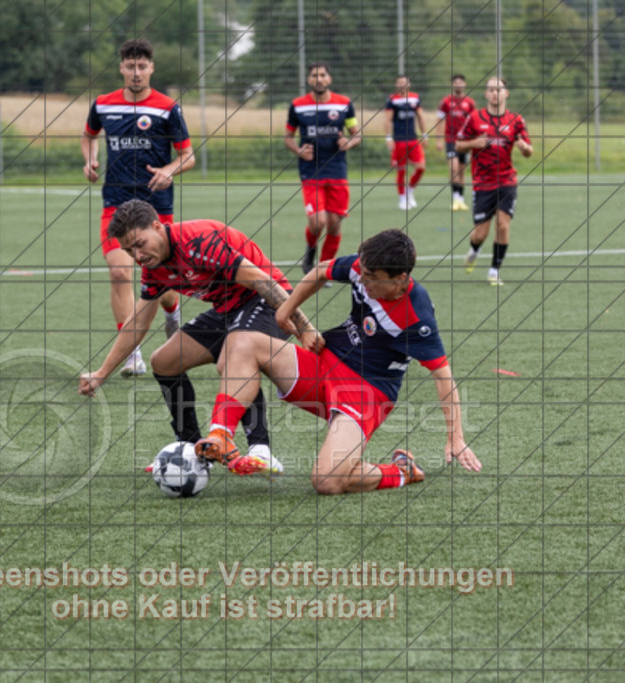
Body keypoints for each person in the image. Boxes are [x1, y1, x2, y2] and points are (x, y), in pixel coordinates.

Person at [197, 228, 482, 495]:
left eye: (372, 276)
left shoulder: (416, 317)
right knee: (241, 341)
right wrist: (287, 310)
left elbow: (443, 376)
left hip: (366, 393)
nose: (363, 278)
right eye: (363, 271)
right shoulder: (363, 266)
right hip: (325, 364)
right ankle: (221, 434)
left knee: (327, 481)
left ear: (400, 279)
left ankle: (400, 472)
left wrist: (455, 438)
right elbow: (320, 271)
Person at [78, 199, 314, 477]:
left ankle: (260, 451)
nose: (137, 255)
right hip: (227, 309)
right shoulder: (154, 268)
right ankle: (192, 450)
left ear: (157, 227)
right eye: (129, 250)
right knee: (163, 361)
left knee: (232, 357)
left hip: (266, 303)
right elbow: (137, 322)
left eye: (140, 244)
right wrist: (102, 373)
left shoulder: (198, 241)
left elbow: (263, 282)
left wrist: (305, 327)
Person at [82, 38, 191, 378]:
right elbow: (88, 135)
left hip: (156, 206)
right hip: (115, 203)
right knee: (119, 274)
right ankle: (133, 354)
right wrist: (90, 159)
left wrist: (168, 170)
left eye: (142, 66)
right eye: (130, 66)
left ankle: (172, 315)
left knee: (163, 285)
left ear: (151, 68)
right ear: (121, 68)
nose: (136, 72)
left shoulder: (167, 107)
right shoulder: (102, 104)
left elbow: (188, 155)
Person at [285, 62, 361, 274]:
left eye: (322, 75)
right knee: (318, 222)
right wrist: (299, 151)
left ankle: (324, 269)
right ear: (309, 80)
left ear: (329, 79)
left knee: (334, 224)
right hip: (311, 170)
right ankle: (311, 251)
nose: (318, 79)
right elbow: (288, 138)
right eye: (314, 75)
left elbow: (356, 134)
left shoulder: (344, 104)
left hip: (337, 168)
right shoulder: (298, 105)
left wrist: (348, 143)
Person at [457, 77, 533, 286]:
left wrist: (525, 148)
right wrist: (474, 142)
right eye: (490, 90)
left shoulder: (516, 120)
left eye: (498, 90)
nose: (494, 93)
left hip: (507, 181)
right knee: (481, 233)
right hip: (482, 184)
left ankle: (494, 271)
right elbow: (458, 145)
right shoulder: (474, 118)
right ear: (486, 94)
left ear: (506, 93)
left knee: (503, 225)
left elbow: (528, 149)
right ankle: (473, 251)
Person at [384, 75, 429, 210]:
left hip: (413, 139)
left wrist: (425, 134)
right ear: (396, 85)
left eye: (405, 82)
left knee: (421, 167)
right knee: (401, 170)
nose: (402, 85)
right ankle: (402, 197)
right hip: (399, 140)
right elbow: (388, 119)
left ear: (409, 84)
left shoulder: (415, 97)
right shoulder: (392, 99)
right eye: (400, 83)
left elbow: (421, 117)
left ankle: (410, 190)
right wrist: (388, 137)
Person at [436, 75, 476, 211]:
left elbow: (474, 122)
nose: (458, 85)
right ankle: (455, 198)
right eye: (456, 83)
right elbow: (440, 121)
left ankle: (461, 200)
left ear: (464, 85)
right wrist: (438, 140)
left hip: (465, 142)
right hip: (451, 140)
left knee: (462, 171)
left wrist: (474, 140)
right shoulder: (446, 102)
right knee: (453, 168)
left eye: (461, 82)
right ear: (452, 85)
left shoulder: (469, 103)